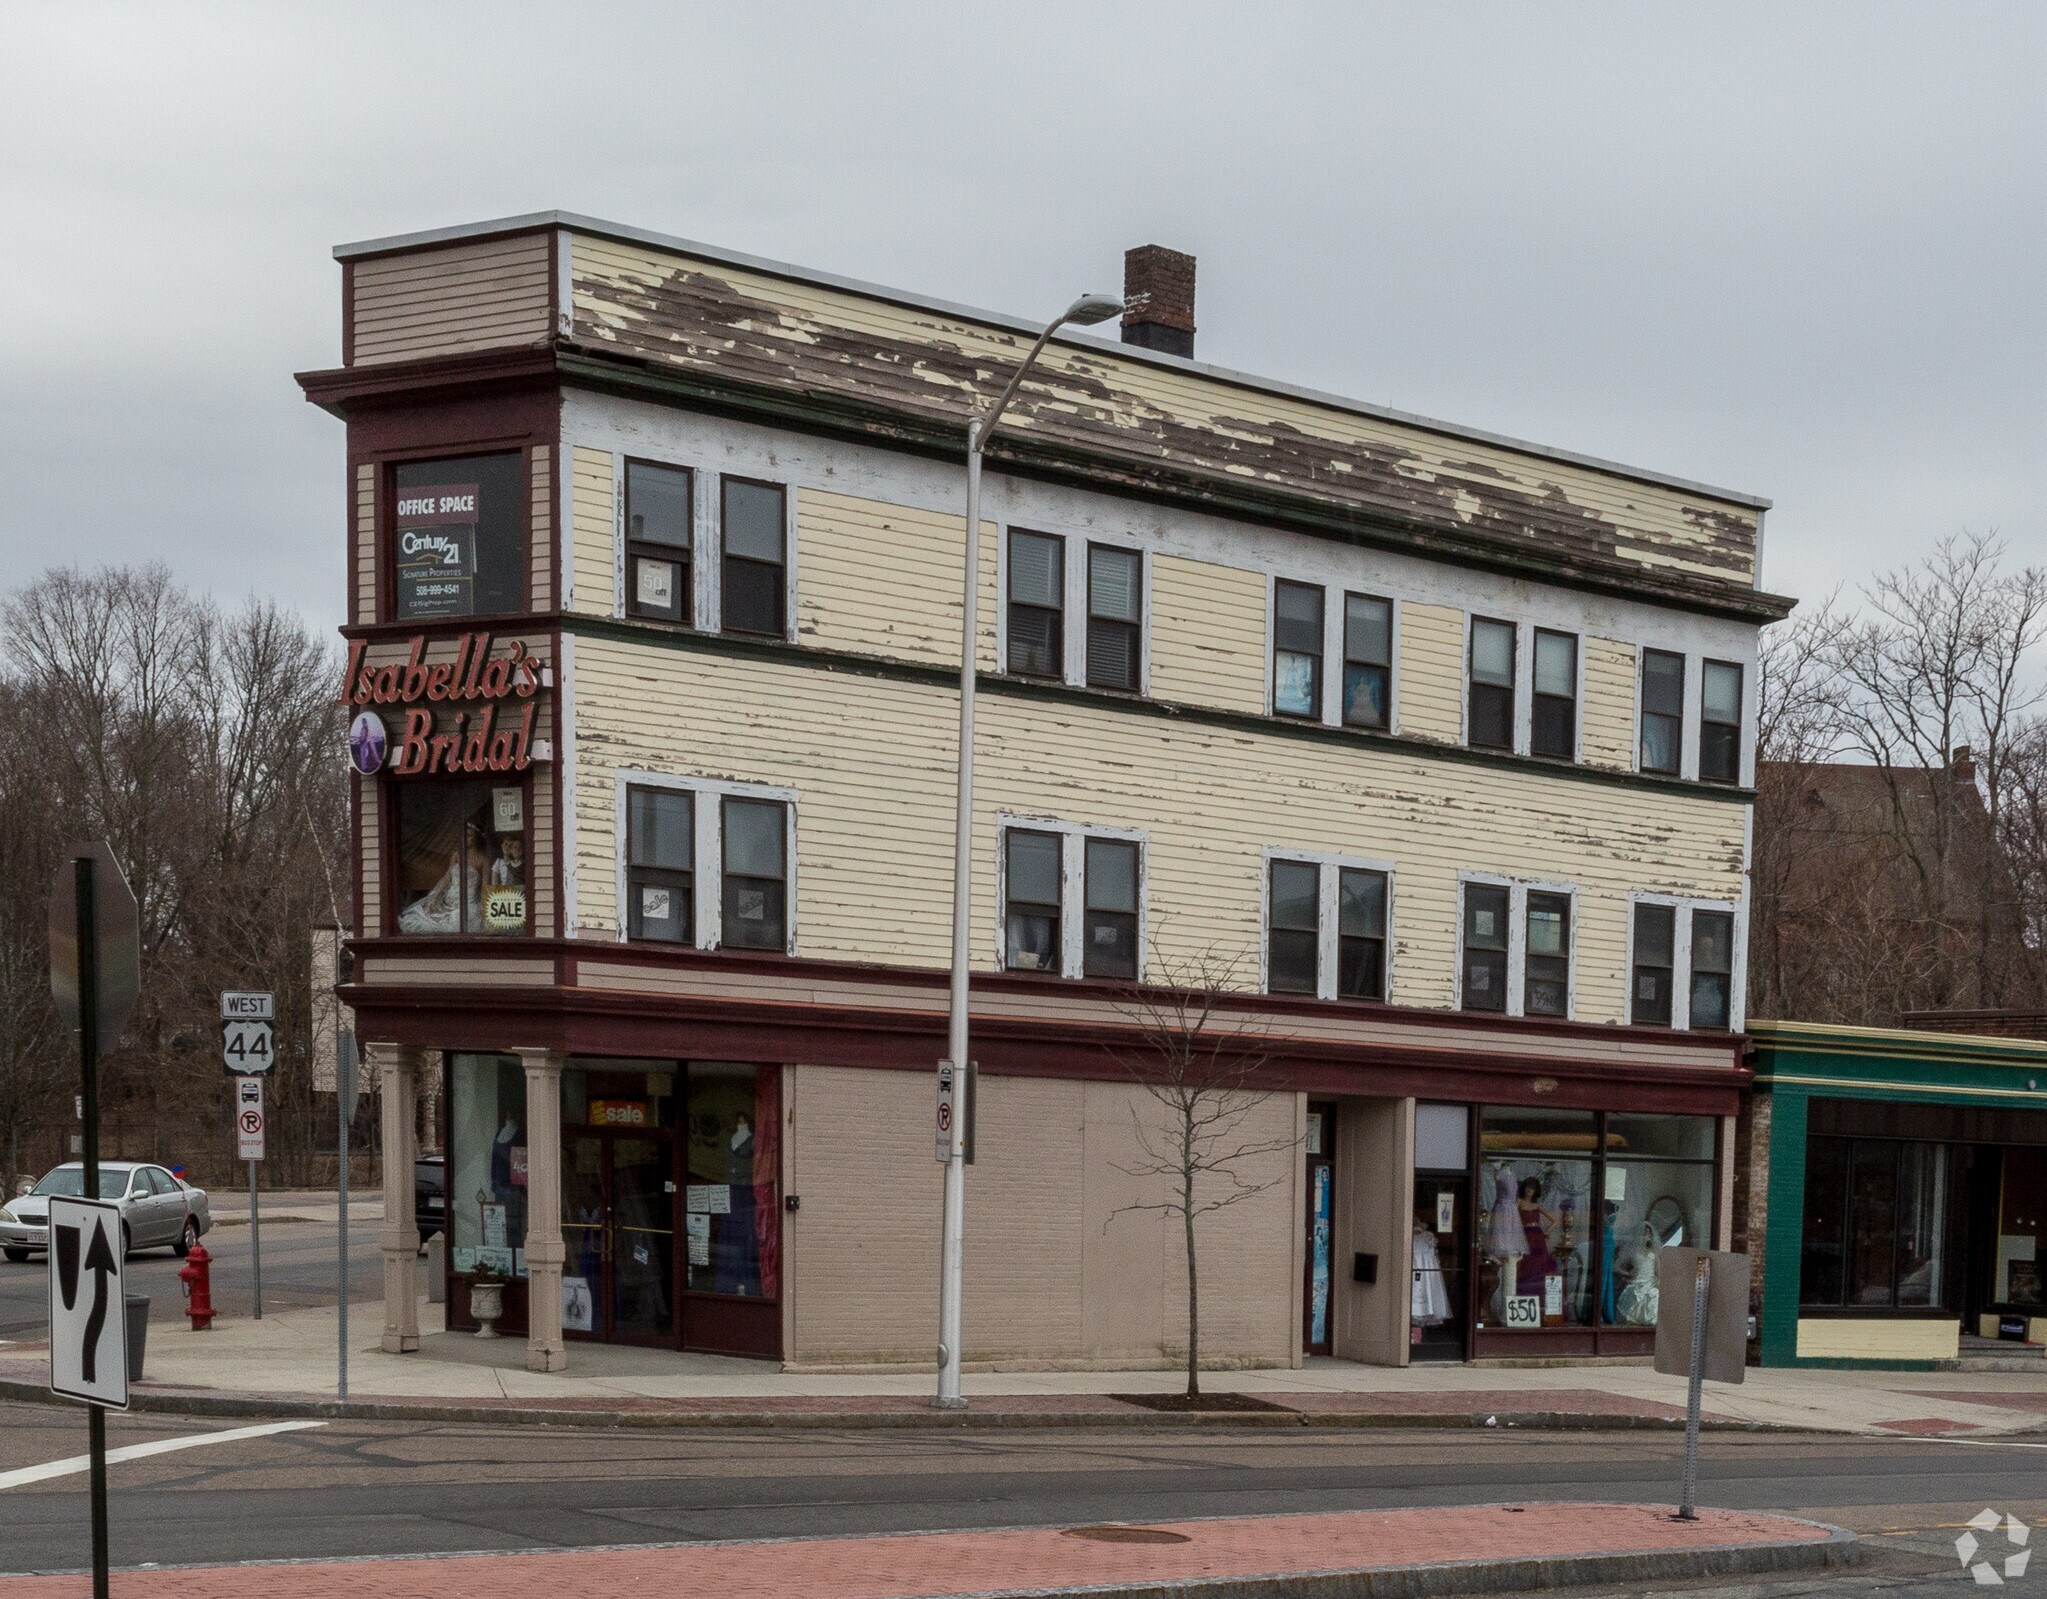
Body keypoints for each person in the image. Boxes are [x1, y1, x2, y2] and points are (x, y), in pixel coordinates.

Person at [400, 826, 488, 934]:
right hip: (449, 899)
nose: (465, 838)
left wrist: (484, 904)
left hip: (468, 903)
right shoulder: (457, 855)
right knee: (420, 917)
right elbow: (448, 878)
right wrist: (435, 897)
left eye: (469, 835)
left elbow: (485, 885)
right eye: (464, 835)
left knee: (458, 923)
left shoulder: (483, 860)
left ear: (477, 838)